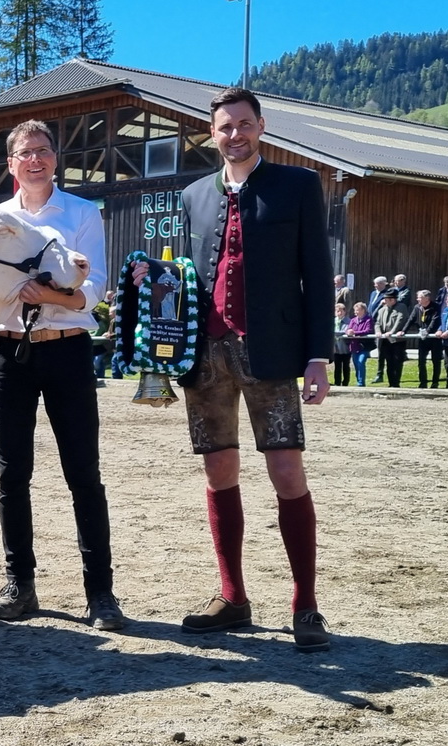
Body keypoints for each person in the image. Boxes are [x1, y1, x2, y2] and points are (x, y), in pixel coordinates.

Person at [137, 88, 333, 652]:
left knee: (287, 475)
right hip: (206, 355)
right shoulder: (194, 194)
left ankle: (305, 605)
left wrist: (318, 354)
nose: (236, 135)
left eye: (245, 125)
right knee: (219, 472)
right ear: (213, 133)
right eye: (225, 127)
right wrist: (153, 302)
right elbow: (184, 280)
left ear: (261, 127)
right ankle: (233, 597)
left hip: (271, 353)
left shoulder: (297, 186)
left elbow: (316, 275)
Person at [0, 119, 123, 631]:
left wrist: (52, 296)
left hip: (67, 350)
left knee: (83, 472)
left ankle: (100, 593)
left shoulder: (84, 213)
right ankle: (20, 584)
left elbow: (96, 287)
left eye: (43, 151)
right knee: (10, 472)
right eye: (25, 153)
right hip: (7, 351)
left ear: (55, 159)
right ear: (11, 164)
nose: (35, 160)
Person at [404, 289, 442, 388]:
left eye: (420, 297)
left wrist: (428, 331)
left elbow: (435, 320)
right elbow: (411, 319)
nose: (418, 299)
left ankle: (435, 382)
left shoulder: (436, 307)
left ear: (427, 298)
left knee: (436, 361)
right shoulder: (417, 307)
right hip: (423, 339)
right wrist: (403, 331)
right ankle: (423, 382)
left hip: (434, 339)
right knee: (421, 361)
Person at [374, 289, 408, 387]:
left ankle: (396, 383)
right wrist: (378, 331)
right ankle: (391, 383)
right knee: (389, 362)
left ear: (393, 300)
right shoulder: (382, 309)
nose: (384, 300)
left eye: (387, 299)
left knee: (397, 362)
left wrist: (392, 332)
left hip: (397, 341)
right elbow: (377, 322)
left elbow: (400, 320)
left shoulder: (401, 307)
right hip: (385, 341)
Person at [345, 301, 374, 387]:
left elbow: (368, 330)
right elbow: (348, 329)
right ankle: (358, 380)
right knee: (356, 364)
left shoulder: (368, 319)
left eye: (358, 310)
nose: (356, 312)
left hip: (363, 346)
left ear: (363, 310)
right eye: (355, 310)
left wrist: (355, 332)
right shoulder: (353, 320)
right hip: (354, 345)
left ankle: (361, 382)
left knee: (361, 362)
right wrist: (348, 332)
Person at [367, 276, 389, 383]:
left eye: (378, 283)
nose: (376, 285)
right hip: (371, 322)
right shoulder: (373, 293)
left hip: (380, 323)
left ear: (383, 284)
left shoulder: (387, 294)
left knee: (382, 350)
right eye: (375, 283)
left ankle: (380, 374)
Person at [332, 303, 351, 387]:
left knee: (346, 366)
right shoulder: (333, 321)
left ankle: (346, 382)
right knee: (337, 366)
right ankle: (337, 382)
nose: (339, 313)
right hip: (336, 347)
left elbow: (347, 331)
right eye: (337, 311)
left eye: (340, 311)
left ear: (344, 312)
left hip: (345, 347)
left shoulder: (348, 321)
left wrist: (338, 334)